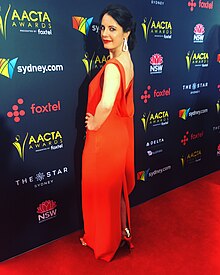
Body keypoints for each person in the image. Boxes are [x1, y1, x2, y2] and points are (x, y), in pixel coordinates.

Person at [80, 4, 136, 262]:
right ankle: (118, 234)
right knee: (113, 192)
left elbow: (106, 103)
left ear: (126, 33)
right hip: (120, 135)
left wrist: (93, 124)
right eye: (103, 27)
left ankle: (102, 243)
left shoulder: (114, 66)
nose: (105, 33)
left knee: (100, 192)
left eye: (113, 28)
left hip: (105, 137)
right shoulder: (127, 60)